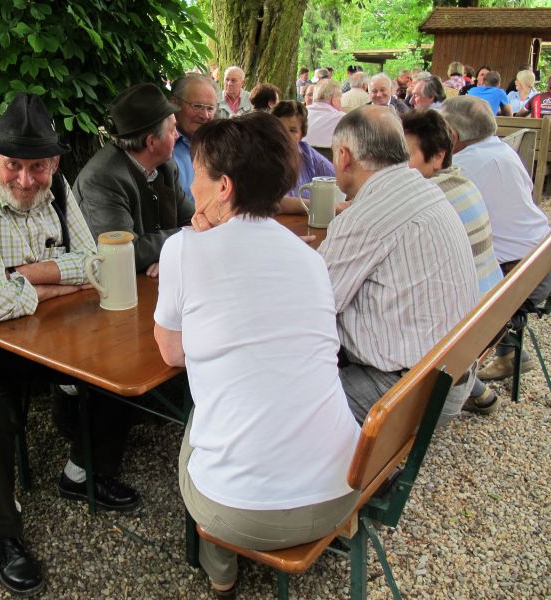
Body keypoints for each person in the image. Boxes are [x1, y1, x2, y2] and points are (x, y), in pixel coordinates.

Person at [0, 93, 140, 597]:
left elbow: (93, 264)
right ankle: (4, 531)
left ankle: (82, 472)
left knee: (116, 358)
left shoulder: (59, 188)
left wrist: (23, 274)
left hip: (43, 335)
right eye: (13, 165)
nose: (25, 179)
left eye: (37, 166)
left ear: (54, 163)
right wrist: (55, 280)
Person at [154, 111, 360, 599]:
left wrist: (198, 242)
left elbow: (172, 353)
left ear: (223, 187)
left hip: (240, 514)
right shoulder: (310, 258)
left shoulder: (183, 249)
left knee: (199, 420)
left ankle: (222, 574)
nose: (191, 185)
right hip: (341, 493)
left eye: (197, 174)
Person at [318, 106, 479, 423]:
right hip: (450, 373)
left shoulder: (365, 217)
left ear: (344, 156)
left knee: (273, 400)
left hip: (408, 392)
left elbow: (314, 303)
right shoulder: (424, 189)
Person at [440, 96, 551, 410]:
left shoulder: (464, 167)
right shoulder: (502, 150)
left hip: (517, 278)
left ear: (452, 136)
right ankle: (510, 354)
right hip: (538, 261)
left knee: (435, 292)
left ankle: (465, 387)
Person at [74, 83, 194, 277]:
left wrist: (169, 255)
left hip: (150, 281)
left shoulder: (166, 167)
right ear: (151, 142)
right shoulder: (101, 180)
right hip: (109, 288)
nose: (177, 135)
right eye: (172, 129)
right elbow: (122, 253)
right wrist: (180, 242)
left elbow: (196, 221)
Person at [401, 109, 501, 296]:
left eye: (405, 157)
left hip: (470, 305)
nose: (395, 165)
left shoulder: (425, 197)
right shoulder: (462, 183)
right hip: (492, 295)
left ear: (438, 156)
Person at [271, 100, 335, 212]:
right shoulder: (263, 156)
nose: (285, 135)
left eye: (292, 130)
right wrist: (321, 206)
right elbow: (272, 202)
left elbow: (338, 181)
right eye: (279, 129)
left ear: (301, 134)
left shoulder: (309, 155)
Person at [170, 74, 218, 204]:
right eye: (197, 106)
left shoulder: (219, 145)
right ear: (174, 104)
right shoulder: (163, 146)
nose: (205, 115)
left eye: (210, 108)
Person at [304, 79, 344, 148]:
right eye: (340, 98)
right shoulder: (344, 119)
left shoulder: (299, 114)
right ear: (334, 99)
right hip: (331, 155)